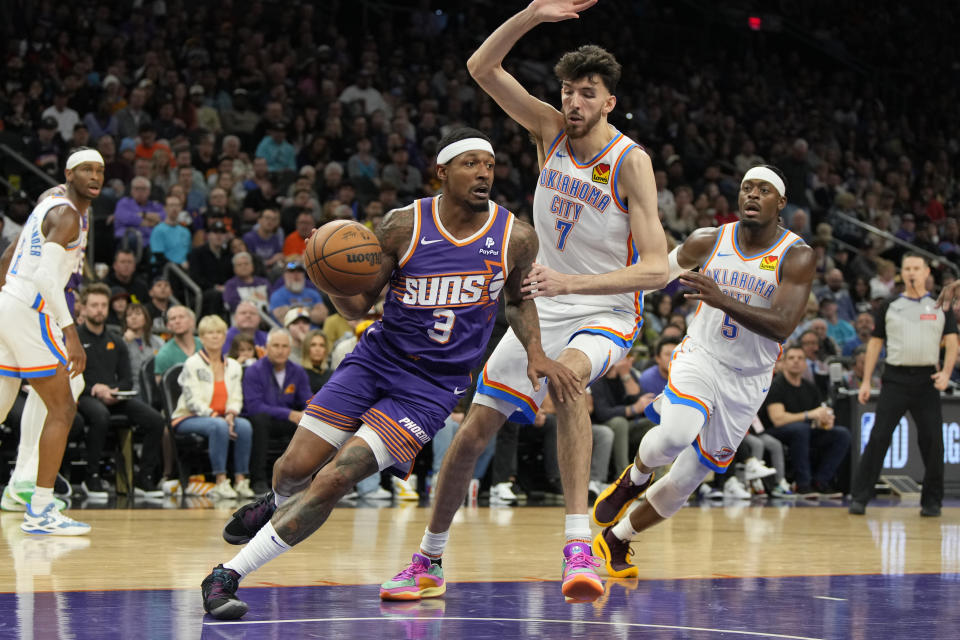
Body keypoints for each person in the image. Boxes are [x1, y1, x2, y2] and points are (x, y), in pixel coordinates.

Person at [201, 127, 579, 619]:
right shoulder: (404, 226)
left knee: (337, 477)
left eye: (488, 164)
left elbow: (518, 301)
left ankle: (227, 574)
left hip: (431, 389)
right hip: (376, 360)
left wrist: (535, 351)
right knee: (294, 469)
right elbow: (359, 304)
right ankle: (274, 501)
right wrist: (325, 276)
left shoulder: (516, 237)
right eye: (470, 163)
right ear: (441, 171)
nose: (484, 172)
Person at [381, 3, 670, 604]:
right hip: (542, 305)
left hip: (605, 310)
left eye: (586, 94)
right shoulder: (548, 132)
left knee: (569, 385)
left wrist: (572, 285)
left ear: (608, 102)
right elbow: (482, 67)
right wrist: (533, 13)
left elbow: (658, 268)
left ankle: (576, 546)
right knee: (471, 432)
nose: (573, 103)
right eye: (567, 91)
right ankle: (429, 558)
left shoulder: (630, 162)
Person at [590, 164, 816, 579]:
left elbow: (783, 323)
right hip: (702, 355)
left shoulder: (796, 255)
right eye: (747, 188)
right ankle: (633, 478)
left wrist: (722, 298)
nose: (751, 195)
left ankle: (616, 537)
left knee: (688, 478)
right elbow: (656, 275)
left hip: (749, 377)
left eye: (763, 190)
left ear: (780, 202)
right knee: (676, 434)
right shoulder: (709, 240)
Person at [0, 148, 103, 534]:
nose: (95, 176)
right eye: (86, 170)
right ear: (68, 175)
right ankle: (40, 508)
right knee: (63, 406)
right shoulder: (66, 213)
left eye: (100, 171)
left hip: (9, 304)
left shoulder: (51, 205)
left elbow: (12, 255)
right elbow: (45, 278)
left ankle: (25, 489)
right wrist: (70, 332)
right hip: (31, 308)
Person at [849, 254, 958, 517]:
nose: (911, 272)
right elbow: (875, 344)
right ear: (902, 273)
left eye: (916, 268)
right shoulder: (890, 305)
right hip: (895, 379)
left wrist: (945, 373)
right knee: (878, 437)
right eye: (907, 268)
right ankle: (860, 497)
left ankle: (932, 502)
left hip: (926, 381)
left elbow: (953, 342)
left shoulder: (940, 305)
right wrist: (866, 381)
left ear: (926, 272)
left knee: (933, 441)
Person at [74, 284, 165, 499]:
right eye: (94, 305)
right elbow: (69, 374)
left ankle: (144, 478)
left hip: (114, 396)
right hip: (83, 394)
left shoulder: (116, 341)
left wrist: (115, 391)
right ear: (84, 309)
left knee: (155, 420)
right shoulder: (74, 339)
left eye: (103, 305)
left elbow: (127, 379)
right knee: (100, 416)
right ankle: (91, 477)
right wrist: (94, 389)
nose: (99, 310)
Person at [171, 315, 254, 500]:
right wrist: (217, 416)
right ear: (202, 337)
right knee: (219, 426)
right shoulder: (192, 363)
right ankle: (220, 481)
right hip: (188, 417)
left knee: (245, 426)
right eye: (210, 333)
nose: (215, 336)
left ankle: (241, 480)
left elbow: (236, 397)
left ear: (225, 337)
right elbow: (193, 401)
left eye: (219, 332)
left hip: (224, 417)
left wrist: (231, 415)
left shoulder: (233, 366)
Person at [761, 345, 852, 497]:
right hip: (776, 432)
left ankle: (820, 482)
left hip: (803, 432)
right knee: (800, 429)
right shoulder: (777, 385)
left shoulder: (810, 387)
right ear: (783, 363)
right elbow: (777, 419)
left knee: (841, 434)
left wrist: (825, 421)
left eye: (800, 358)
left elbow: (816, 417)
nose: (795, 362)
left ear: (805, 364)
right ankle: (803, 485)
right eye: (791, 358)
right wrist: (809, 415)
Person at [240, 328, 313, 494]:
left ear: (290, 349)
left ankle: (302, 480)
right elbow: (254, 406)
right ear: (266, 348)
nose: (280, 350)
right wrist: (289, 414)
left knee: (310, 422)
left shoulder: (298, 371)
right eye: (276, 346)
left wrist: (308, 413)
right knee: (260, 420)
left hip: (287, 420)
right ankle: (258, 479)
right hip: (262, 420)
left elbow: (308, 400)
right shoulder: (254, 370)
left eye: (284, 346)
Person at [122, 303, 164, 403]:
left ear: (145, 318)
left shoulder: (159, 341)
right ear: (126, 321)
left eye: (138, 314)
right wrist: (125, 342)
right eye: (129, 315)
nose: (133, 317)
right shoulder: (121, 343)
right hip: (133, 391)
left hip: (156, 389)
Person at [154, 305, 203, 380]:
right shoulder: (164, 354)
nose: (177, 321)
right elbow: (162, 387)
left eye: (181, 317)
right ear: (168, 325)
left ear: (192, 321)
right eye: (173, 319)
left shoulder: (206, 345)